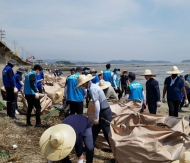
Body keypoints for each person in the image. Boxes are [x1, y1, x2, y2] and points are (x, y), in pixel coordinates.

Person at [75, 75, 112, 146]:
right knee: (94, 131)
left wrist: (96, 117)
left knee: (106, 132)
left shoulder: (92, 88)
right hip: (103, 111)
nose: (82, 86)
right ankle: (89, 147)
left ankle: (114, 150)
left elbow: (97, 103)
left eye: (82, 85)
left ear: (85, 83)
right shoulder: (92, 87)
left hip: (104, 112)